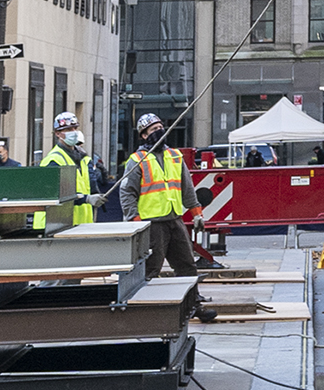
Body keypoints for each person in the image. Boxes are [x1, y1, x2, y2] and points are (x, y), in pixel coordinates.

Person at [116, 114, 203, 279]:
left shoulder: (175, 156)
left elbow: (187, 188)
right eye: (153, 129)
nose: (159, 131)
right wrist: (135, 221)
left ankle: (192, 301)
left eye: (160, 127)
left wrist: (197, 214)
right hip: (151, 224)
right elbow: (127, 193)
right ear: (144, 135)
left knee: (187, 264)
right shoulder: (137, 160)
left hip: (175, 220)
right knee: (151, 268)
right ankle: (146, 302)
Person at [40, 113, 101, 236]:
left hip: (81, 225)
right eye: (68, 130)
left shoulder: (83, 158)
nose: (73, 132)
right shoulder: (53, 160)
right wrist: (86, 199)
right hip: (57, 227)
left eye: (75, 128)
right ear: (57, 133)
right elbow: (56, 196)